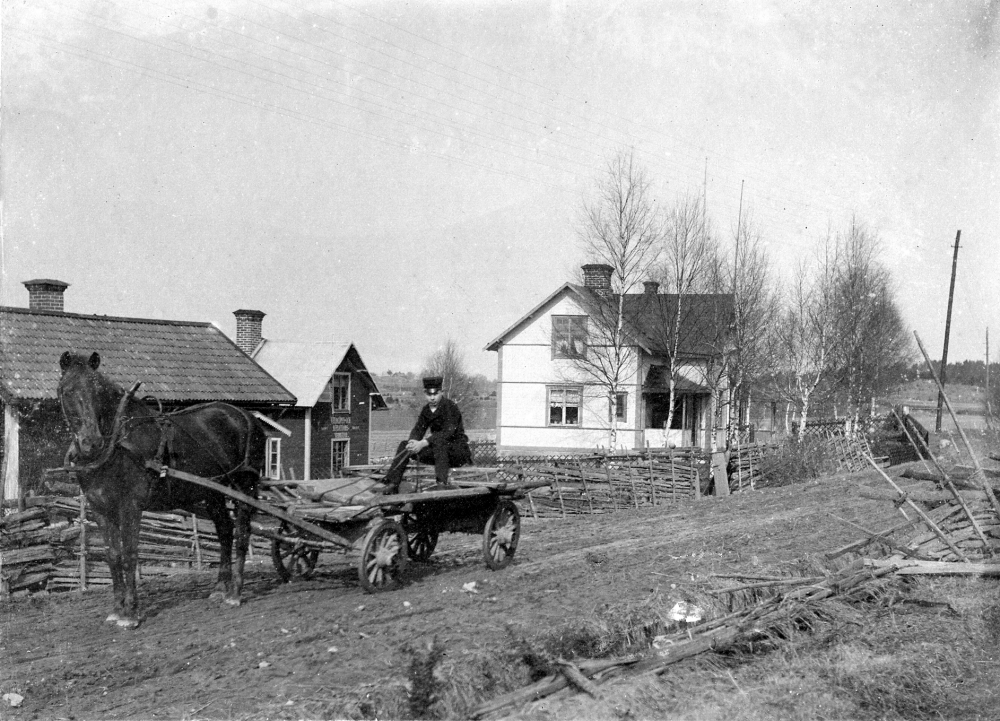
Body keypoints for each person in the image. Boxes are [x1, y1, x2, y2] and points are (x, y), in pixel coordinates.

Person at [381, 376, 472, 493]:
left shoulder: (450, 407)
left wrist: (423, 443)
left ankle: (441, 483)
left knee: (439, 442)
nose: (432, 397)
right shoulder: (426, 410)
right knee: (404, 445)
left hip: (457, 452)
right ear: (425, 394)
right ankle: (392, 483)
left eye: (435, 394)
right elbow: (419, 429)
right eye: (429, 394)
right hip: (439, 454)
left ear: (441, 392)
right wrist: (412, 442)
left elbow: (447, 433)